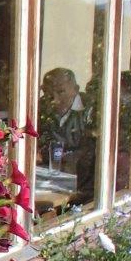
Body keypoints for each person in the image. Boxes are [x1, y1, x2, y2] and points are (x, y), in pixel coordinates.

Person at [38, 67, 98, 209]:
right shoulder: (40, 107)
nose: (54, 100)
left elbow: (93, 151)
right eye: (48, 93)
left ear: (75, 89)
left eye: (61, 91)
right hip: (52, 179)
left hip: (85, 185)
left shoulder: (92, 109)